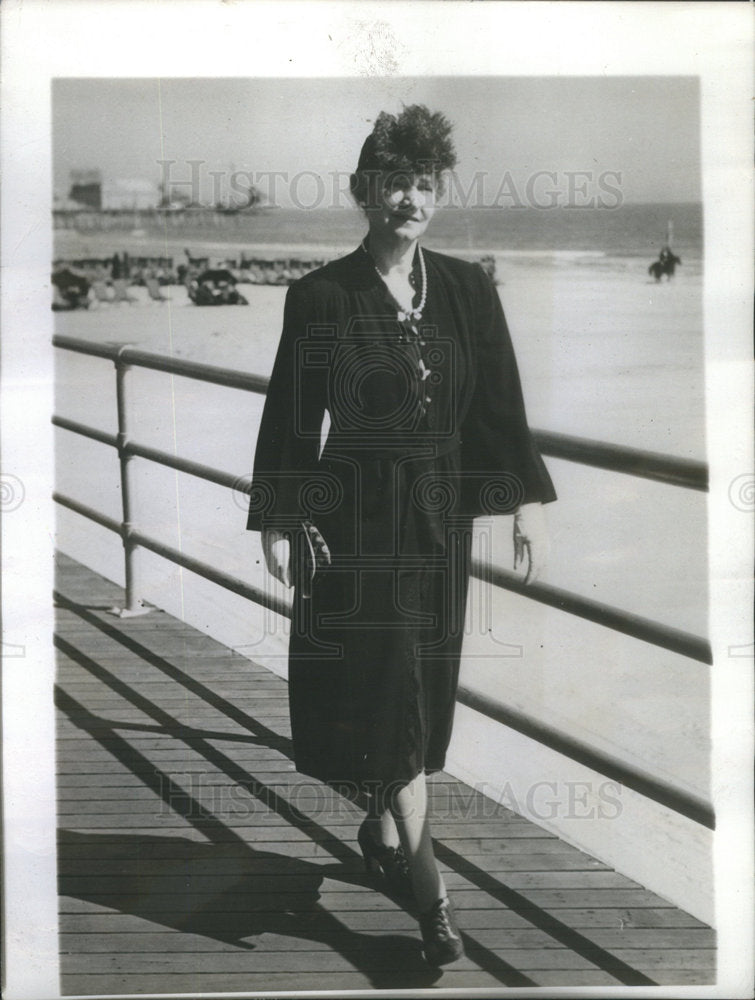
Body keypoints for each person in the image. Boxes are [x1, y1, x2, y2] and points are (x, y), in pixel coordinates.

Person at [247, 105, 556, 965]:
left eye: (424, 185)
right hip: (354, 525)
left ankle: (381, 819)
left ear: (438, 195)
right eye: (393, 184)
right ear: (364, 192)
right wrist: (283, 511)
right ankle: (433, 904)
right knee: (393, 695)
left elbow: (499, 408)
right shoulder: (321, 295)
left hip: (441, 519)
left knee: (418, 695)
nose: (409, 199)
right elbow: (292, 415)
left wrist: (523, 503)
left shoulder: (465, 287)